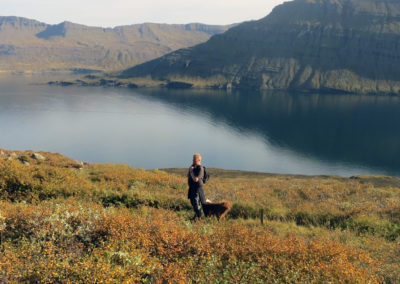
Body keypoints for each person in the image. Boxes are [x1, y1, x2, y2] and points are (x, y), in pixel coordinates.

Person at [187, 153, 206, 219]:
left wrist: (191, 171)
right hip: (192, 188)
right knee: (193, 203)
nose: (193, 161)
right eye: (193, 159)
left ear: (199, 160)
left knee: (196, 203)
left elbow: (196, 179)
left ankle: (199, 218)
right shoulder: (193, 167)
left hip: (198, 189)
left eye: (194, 159)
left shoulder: (200, 168)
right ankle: (196, 216)